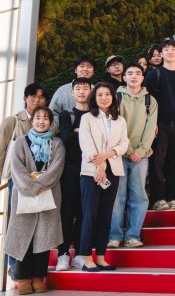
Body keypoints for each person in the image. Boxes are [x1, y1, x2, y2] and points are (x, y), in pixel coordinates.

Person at [4, 106, 65, 293]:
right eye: (38, 118)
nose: (41, 121)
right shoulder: (20, 142)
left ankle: (38, 278)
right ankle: (23, 278)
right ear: (31, 121)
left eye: (45, 118)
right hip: (24, 195)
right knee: (22, 236)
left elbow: (57, 168)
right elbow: (17, 169)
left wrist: (41, 185)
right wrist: (32, 187)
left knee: (43, 237)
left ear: (51, 122)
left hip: (49, 195)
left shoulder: (57, 143)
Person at [78, 82, 128, 272]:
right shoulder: (87, 118)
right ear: (94, 97)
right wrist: (99, 166)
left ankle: (100, 256)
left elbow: (124, 144)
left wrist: (108, 155)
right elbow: (86, 144)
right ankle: (85, 258)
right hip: (91, 172)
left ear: (113, 97)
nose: (104, 98)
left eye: (107, 94)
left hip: (113, 172)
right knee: (90, 214)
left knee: (106, 215)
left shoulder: (120, 120)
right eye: (100, 94)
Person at [108, 64, 158, 249]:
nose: (134, 76)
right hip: (119, 154)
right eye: (130, 73)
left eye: (138, 73)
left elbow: (151, 127)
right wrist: (129, 151)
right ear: (124, 77)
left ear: (143, 78)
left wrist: (141, 151)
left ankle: (132, 236)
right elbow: (115, 126)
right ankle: (114, 236)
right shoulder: (116, 97)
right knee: (117, 197)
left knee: (139, 196)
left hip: (141, 156)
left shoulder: (150, 100)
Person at [143, 40, 175, 211]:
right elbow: (147, 100)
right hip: (160, 123)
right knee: (157, 161)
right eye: (166, 49)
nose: (170, 52)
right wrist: (151, 123)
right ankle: (158, 198)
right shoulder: (154, 74)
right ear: (162, 54)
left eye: (173, 49)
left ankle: (172, 197)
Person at [55, 78, 92, 271]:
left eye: (85, 88)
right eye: (78, 88)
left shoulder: (95, 114)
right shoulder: (66, 114)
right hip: (70, 168)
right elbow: (67, 138)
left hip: (90, 168)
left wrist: (78, 131)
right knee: (67, 212)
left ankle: (80, 253)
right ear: (72, 92)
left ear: (90, 91)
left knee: (84, 212)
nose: (82, 91)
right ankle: (62, 254)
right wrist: (82, 133)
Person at [1, 84, 49, 176]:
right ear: (25, 98)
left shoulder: (51, 125)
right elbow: (1, 149)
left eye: (41, 97)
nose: (37, 100)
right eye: (33, 96)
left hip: (41, 177)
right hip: (15, 176)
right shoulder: (12, 122)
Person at [49, 56, 95, 128]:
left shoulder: (97, 90)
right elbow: (52, 113)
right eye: (82, 66)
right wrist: (64, 129)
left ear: (93, 71)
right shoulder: (62, 90)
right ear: (75, 70)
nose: (85, 69)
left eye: (89, 66)